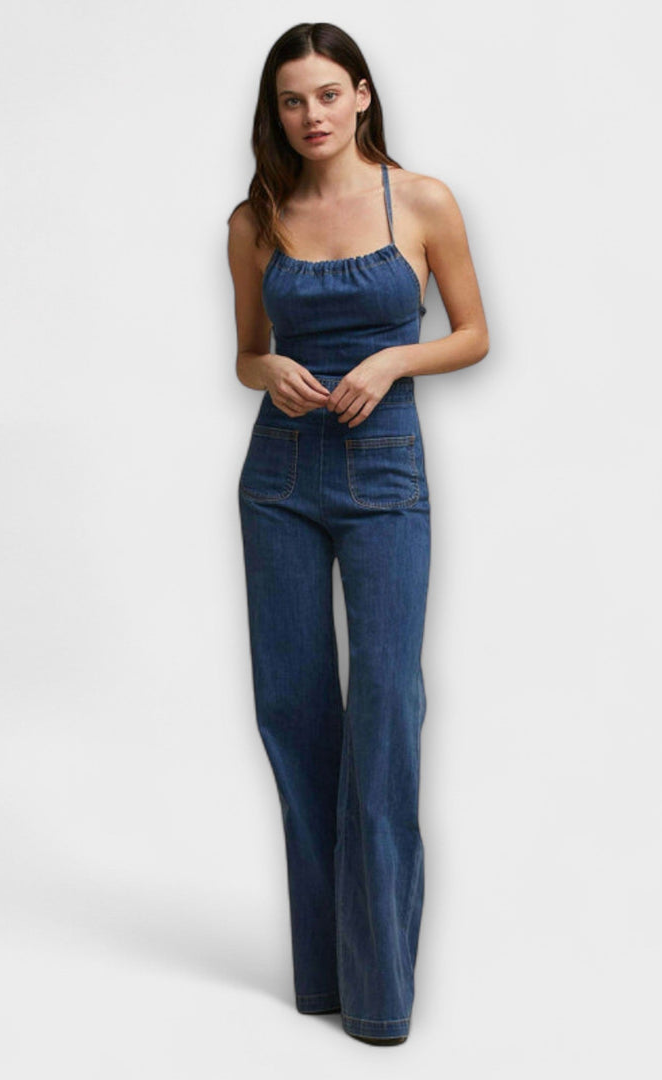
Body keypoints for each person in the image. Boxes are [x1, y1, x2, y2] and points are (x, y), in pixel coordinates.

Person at [226, 22, 488, 1046]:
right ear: (277, 112)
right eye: (292, 100)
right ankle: (324, 976)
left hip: (385, 477)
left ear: (363, 95)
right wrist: (268, 370)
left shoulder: (420, 201)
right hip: (280, 477)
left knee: (384, 713)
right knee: (295, 714)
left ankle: (379, 995)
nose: (312, 115)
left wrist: (392, 360)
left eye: (328, 94)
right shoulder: (255, 219)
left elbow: (472, 333)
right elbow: (246, 354)